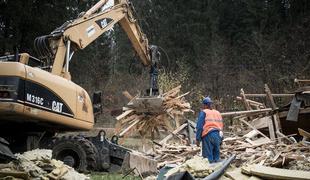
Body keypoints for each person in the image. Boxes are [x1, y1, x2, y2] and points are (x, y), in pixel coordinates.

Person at [196, 96, 223, 163]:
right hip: (217, 135)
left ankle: (209, 170)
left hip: (208, 135)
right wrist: (221, 139)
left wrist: (198, 139)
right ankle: (218, 170)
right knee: (216, 156)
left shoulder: (204, 112)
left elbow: (199, 127)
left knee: (208, 159)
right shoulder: (218, 113)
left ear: (204, 105)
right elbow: (221, 126)